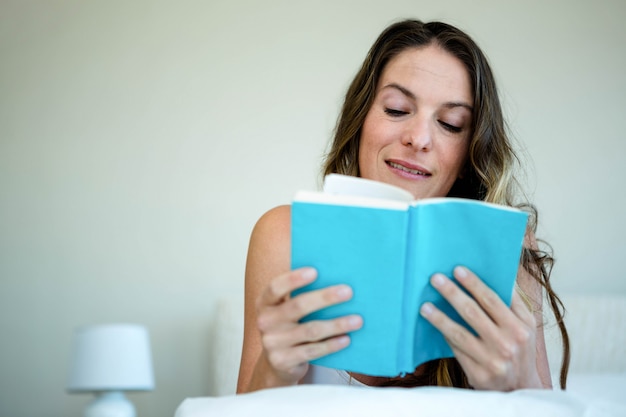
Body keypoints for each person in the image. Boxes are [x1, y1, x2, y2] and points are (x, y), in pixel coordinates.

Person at [236, 19, 570, 393]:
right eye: (396, 109)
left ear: (468, 155)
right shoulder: (284, 235)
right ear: (360, 119)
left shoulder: (510, 247)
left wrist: (519, 385)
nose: (419, 138)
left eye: (450, 123)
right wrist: (274, 371)